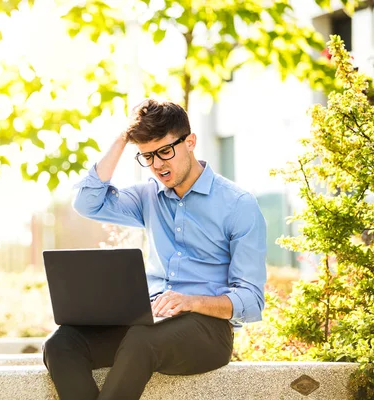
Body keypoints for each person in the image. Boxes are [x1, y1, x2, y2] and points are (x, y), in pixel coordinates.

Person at [42, 99, 267, 400]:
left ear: (191, 142)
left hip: (208, 331)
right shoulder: (147, 196)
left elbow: (252, 301)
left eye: (164, 151)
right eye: (147, 156)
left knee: (140, 340)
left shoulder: (238, 205)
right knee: (61, 344)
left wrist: (191, 302)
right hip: (150, 323)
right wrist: (124, 137)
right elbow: (87, 202)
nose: (158, 165)